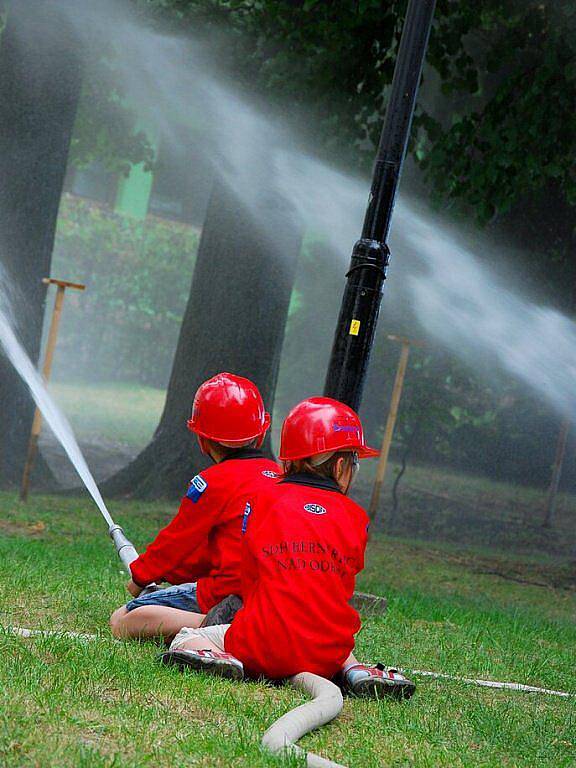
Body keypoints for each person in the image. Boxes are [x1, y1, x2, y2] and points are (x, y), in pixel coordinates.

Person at [161, 397, 415, 699]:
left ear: (288, 460)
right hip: (326, 657)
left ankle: (219, 658)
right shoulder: (357, 518)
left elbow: (248, 579)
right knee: (321, 629)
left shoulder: (262, 501)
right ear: (341, 466)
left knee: (187, 638)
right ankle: (356, 670)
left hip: (260, 648)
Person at [109, 372, 280, 642]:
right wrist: (172, 576)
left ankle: (220, 627)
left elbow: (177, 540)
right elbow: (215, 550)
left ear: (203, 438)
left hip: (227, 594)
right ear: (260, 433)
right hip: (270, 596)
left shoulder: (212, 482)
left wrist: (141, 577)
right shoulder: (279, 477)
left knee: (122, 620)